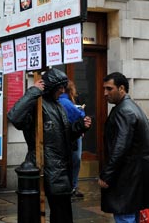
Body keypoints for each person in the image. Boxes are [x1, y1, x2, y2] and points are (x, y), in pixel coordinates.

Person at [7, 68, 92, 223]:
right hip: (41, 164)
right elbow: (15, 117)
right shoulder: (37, 104)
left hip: (60, 169)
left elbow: (63, 135)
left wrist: (80, 126)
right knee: (33, 213)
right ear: (51, 86)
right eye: (59, 87)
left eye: (63, 87)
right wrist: (33, 91)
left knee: (62, 214)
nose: (62, 90)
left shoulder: (58, 105)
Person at [98, 72, 149, 223]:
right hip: (133, 176)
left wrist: (107, 175)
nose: (105, 93)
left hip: (127, 178)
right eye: (104, 89)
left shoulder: (125, 110)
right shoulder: (128, 107)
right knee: (131, 215)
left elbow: (120, 147)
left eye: (109, 89)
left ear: (122, 88)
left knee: (125, 216)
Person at [58, 80, 86, 199]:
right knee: (75, 160)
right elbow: (81, 117)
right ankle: (72, 186)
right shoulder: (65, 101)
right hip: (73, 135)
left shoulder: (56, 101)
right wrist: (81, 110)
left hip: (60, 136)